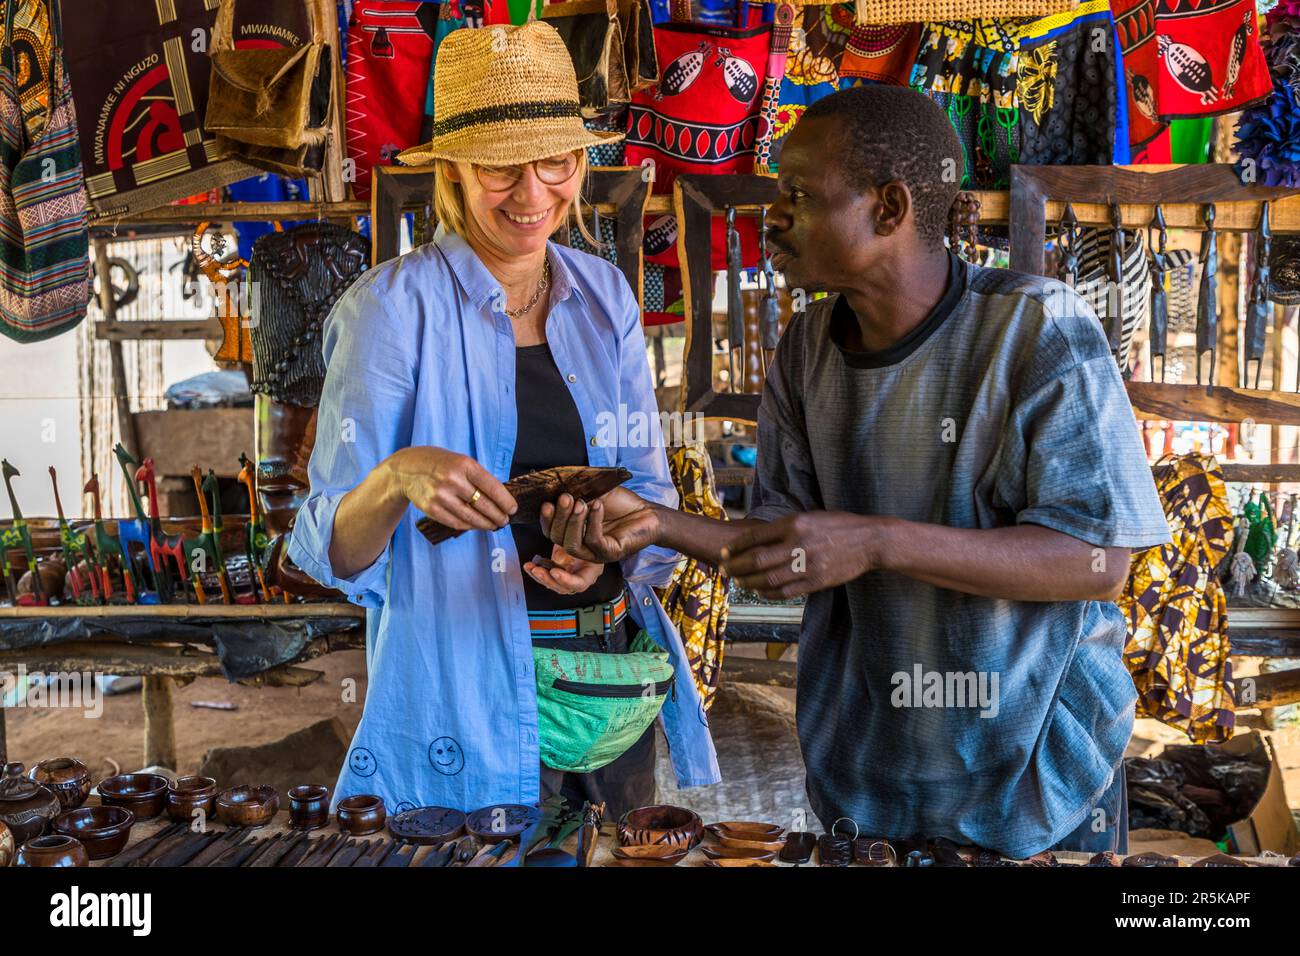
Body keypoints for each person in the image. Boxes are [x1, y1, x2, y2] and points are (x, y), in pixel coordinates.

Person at [541, 84, 1171, 857]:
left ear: (889, 208)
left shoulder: (1035, 329)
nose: (773, 217)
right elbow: (785, 550)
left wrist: (875, 543)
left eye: (800, 196)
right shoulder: (807, 349)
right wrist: (653, 524)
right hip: (870, 775)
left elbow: (1098, 562)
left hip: (1035, 774)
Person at [287, 22, 719, 819]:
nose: (531, 194)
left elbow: (650, 499)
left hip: (608, 693)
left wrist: (603, 553)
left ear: (580, 162)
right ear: (451, 167)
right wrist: (396, 477)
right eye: (499, 166)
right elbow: (332, 552)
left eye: (554, 162)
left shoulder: (604, 298)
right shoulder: (389, 312)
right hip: (468, 702)